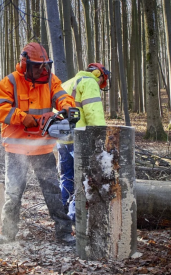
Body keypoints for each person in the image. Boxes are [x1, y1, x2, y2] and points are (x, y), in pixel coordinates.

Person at [0, 42, 76, 244]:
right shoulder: (10, 82)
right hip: (16, 149)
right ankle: (8, 233)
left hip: (42, 148)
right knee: (13, 193)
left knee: (53, 192)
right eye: (37, 65)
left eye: (43, 65)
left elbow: (63, 97)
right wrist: (22, 117)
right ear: (25, 64)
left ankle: (63, 233)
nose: (41, 69)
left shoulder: (50, 81)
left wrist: (65, 110)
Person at [57, 63, 110, 221]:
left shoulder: (67, 83)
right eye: (101, 81)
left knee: (67, 176)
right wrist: (101, 137)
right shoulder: (89, 82)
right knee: (83, 177)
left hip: (61, 137)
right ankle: (75, 217)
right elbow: (93, 113)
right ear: (97, 75)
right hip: (80, 138)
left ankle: (62, 213)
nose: (100, 85)